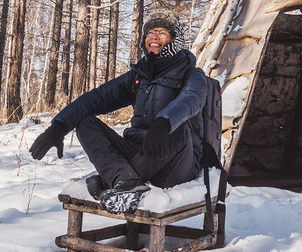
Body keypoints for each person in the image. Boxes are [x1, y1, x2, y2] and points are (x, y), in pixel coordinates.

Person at [29, 13, 207, 214]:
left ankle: (113, 179)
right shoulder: (138, 77)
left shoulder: (192, 74)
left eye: (162, 32)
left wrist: (164, 123)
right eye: (150, 32)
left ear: (175, 40)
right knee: (86, 123)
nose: (154, 36)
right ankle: (126, 180)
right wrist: (59, 126)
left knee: (178, 128)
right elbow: (97, 98)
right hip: (140, 151)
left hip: (178, 161)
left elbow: (192, 99)